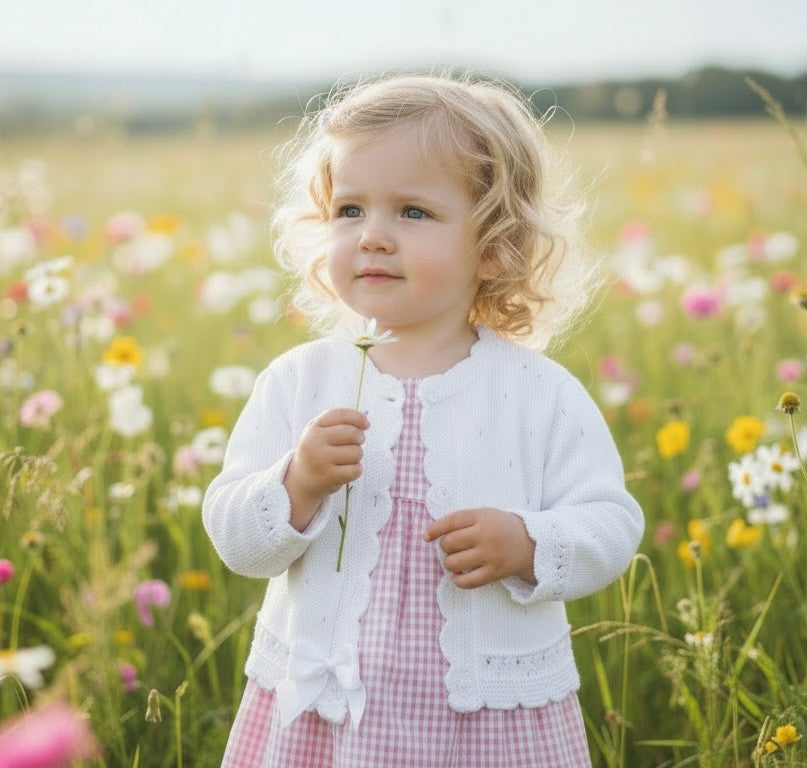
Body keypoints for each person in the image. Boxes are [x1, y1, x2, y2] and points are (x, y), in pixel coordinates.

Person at [202, 72, 644, 768]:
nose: (372, 237)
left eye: (411, 212)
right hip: (327, 712)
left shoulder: (535, 392)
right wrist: (298, 482)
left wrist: (530, 543)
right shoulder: (300, 381)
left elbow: (610, 524)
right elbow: (235, 539)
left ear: (494, 245)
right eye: (349, 210)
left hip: (486, 720)